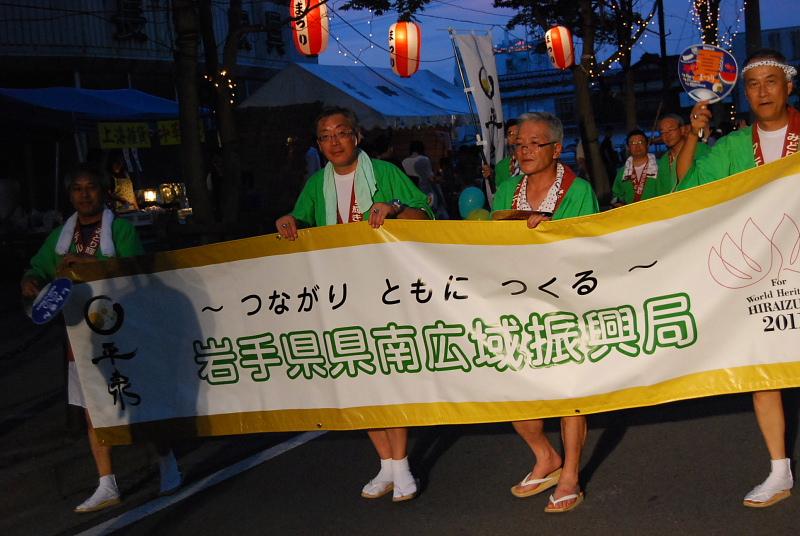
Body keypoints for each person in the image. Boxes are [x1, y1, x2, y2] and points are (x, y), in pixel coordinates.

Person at [275, 107, 431, 502]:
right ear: (319, 144)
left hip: (384, 289)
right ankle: (385, 464)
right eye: (325, 136)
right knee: (358, 377)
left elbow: (425, 215)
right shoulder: (317, 183)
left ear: (356, 136)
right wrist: (289, 221)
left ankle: (402, 465)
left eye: (341, 133)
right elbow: (301, 220)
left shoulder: (384, 173)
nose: (334, 142)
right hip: (339, 293)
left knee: (388, 376)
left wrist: (394, 207)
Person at [20, 164, 182, 513]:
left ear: (103, 192)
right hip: (81, 335)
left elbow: (134, 269)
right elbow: (38, 267)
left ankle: (167, 461)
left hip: (123, 328)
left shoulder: (121, 230)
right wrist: (31, 281)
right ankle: (106, 482)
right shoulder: (60, 237)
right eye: (77, 189)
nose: (84, 194)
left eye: (90, 187)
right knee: (93, 407)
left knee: (140, 399)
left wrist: (87, 262)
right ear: (70, 196)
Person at [676, 48, 798, 508]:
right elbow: (688, 189)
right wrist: (695, 133)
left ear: (788, 86)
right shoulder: (731, 148)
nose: (762, 91)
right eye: (753, 84)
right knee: (763, 371)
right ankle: (779, 471)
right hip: (764, 276)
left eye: (771, 81)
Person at [492, 112, 599, 512]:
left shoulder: (579, 190)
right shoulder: (506, 190)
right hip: (518, 305)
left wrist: (551, 231)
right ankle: (545, 456)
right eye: (520, 144)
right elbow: (490, 244)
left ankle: (570, 474)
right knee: (515, 392)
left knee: (569, 394)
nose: (525, 150)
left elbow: (590, 245)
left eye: (535, 143)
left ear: (556, 149)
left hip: (566, 305)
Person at [611, 129, 665, 207]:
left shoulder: (661, 166)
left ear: (647, 145)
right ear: (628, 147)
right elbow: (616, 196)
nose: (637, 146)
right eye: (633, 143)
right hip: (632, 213)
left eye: (640, 142)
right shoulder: (622, 172)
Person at [656, 114, 709, 193]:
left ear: (682, 129)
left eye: (670, 130)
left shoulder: (700, 149)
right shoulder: (663, 161)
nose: (667, 135)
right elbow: (661, 191)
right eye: (662, 132)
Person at [402, 140, 449, 220]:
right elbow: (431, 178)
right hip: (425, 192)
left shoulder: (404, 161)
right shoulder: (424, 159)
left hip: (410, 194)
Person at [481, 119, 520, 190]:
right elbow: (499, 191)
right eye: (511, 134)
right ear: (507, 138)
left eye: (518, 133)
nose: (515, 138)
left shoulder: (532, 163)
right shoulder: (500, 167)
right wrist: (492, 176)